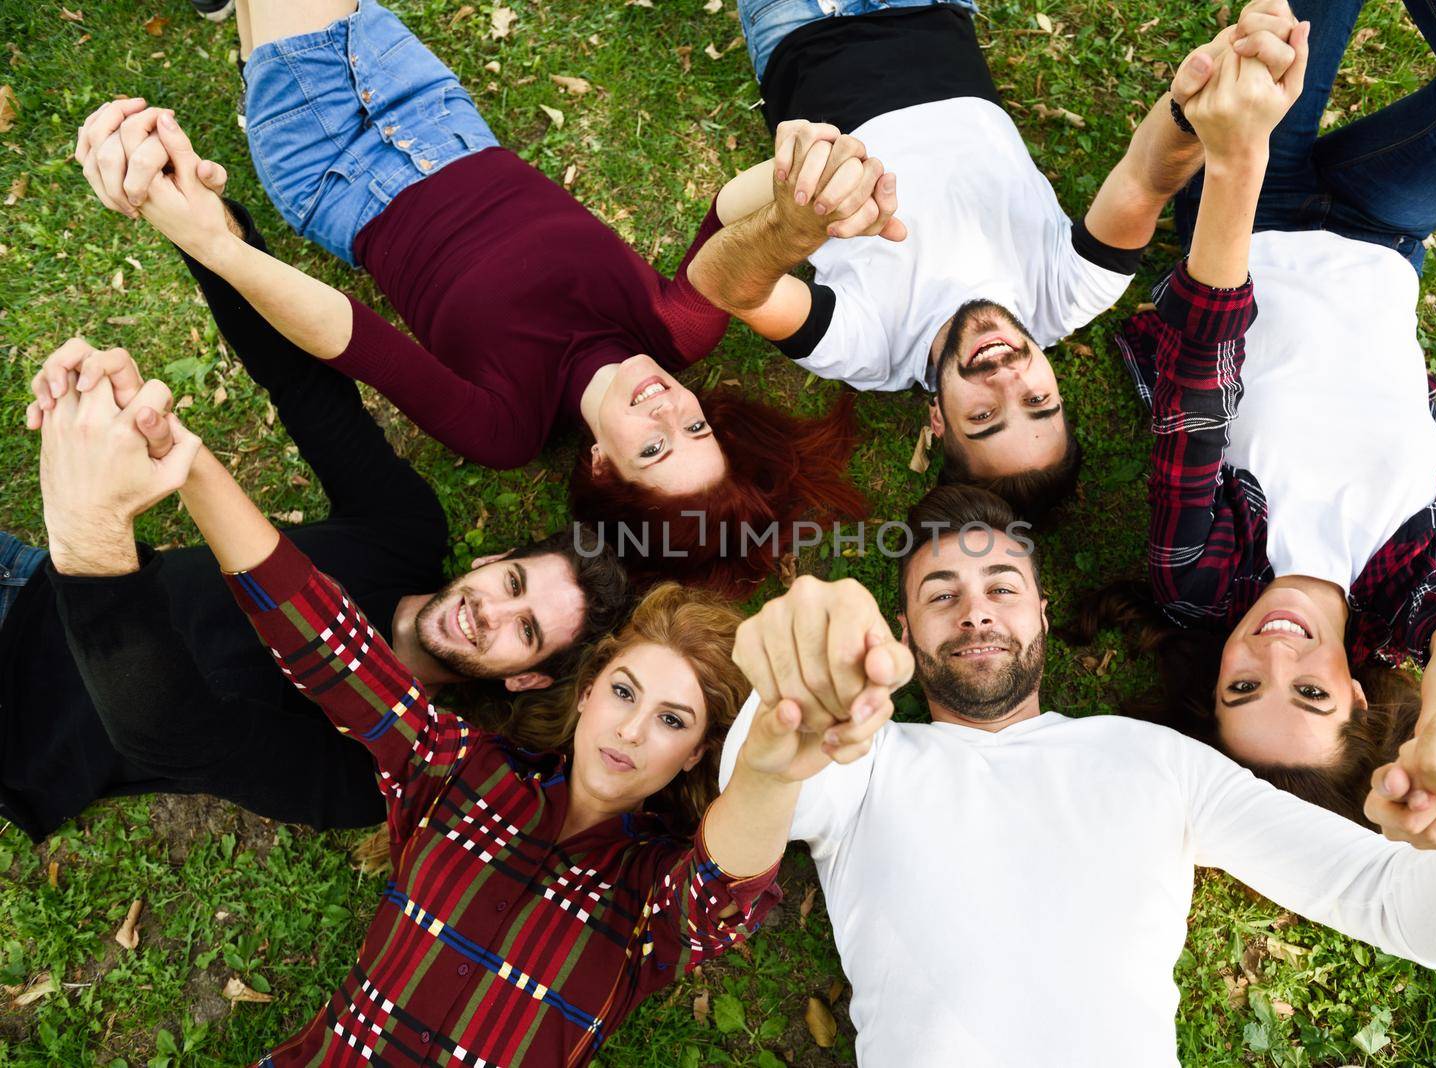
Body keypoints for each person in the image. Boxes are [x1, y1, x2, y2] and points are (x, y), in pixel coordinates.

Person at [29, 360, 897, 1065]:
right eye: (627, 692)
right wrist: (181, 454)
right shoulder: (463, 771)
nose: (633, 728)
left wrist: (778, 759)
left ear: (693, 760)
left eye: (674, 722)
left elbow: (724, 891)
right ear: (588, 690)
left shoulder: (649, 904)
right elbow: (330, 641)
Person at [719, 484, 1436, 1067]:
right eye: (939, 593)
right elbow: (743, 818)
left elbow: (1412, 915)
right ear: (903, 635)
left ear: (1044, 618)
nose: (976, 607)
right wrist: (784, 700)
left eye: (1001, 585)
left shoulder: (1158, 761)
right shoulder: (865, 759)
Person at [73, 0, 889, 594]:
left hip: (334, 170)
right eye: (695, 425)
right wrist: (808, 169)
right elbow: (730, 218)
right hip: (438, 114)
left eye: (653, 447)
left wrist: (216, 245)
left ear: (603, 466)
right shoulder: (678, 332)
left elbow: (348, 337)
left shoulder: (507, 427)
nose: (667, 407)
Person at [1087, 0, 1436, 823]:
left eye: (1242, 686)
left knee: (1283, 33)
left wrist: (1238, 157)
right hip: (1382, 230)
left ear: (1215, 679)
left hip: (1251, 210)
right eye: (1308, 692)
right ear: (1355, 693)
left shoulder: (1202, 578)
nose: (1275, 654)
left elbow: (1198, 380)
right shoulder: (1399, 592)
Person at [5, 245, 628, 840]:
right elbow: (302, 384)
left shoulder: (379, 767)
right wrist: (205, 230)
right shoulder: (405, 531)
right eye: (512, 585)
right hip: (27, 579)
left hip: (21, 722)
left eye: (527, 632)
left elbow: (175, 735)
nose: (491, 612)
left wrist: (88, 535)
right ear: (492, 561)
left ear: (524, 680)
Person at [685, 0, 1303, 520]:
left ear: (937, 421)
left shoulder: (866, 350)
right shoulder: (1071, 294)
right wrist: (1193, 107)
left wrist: (794, 227)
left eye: (984, 416)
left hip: (799, 34)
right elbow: (1145, 180)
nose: (1008, 378)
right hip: (932, 13)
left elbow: (731, 287)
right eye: (1038, 403)